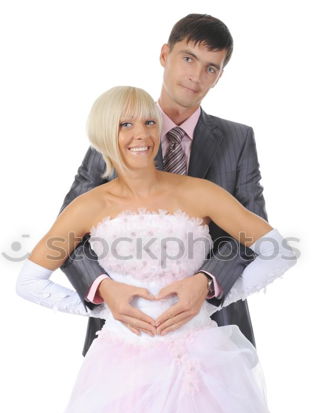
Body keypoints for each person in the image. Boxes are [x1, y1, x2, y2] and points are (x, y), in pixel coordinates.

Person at [16, 86, 297, 413]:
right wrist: (102, 302)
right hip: (120, 368)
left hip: (200, 363)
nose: (141, 135)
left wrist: (211, 294)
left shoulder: (199, 192)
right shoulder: (89, 205)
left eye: (149, 122)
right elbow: (28, 282)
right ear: (103, 134)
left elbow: (279, 251)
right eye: (125, 124)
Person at [59, 13, 267, 357]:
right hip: (126, 325)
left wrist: (206, 281)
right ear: (164, 55)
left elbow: (252, 230)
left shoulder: (238, 139)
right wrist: (104, 287)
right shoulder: (114, 131)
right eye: (188, 59)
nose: (196, 76)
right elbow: (69, 231)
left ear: (219, 76)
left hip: (214, 322)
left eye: (211, 68)